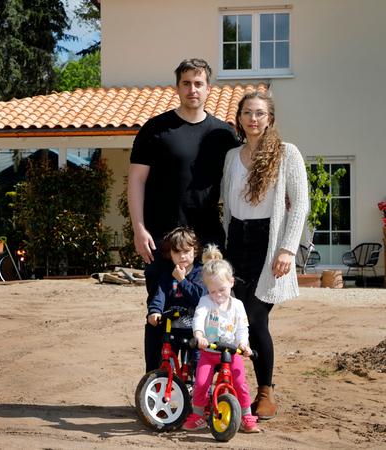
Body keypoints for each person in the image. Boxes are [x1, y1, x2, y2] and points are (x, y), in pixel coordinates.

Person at [128, 58, 239, 372]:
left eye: (199, 83)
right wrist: (139, 229)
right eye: (187, 83)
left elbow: (239, 180)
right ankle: (156, 381)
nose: (193, 89)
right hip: (161, 239)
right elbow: (136, 180)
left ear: (208, 88)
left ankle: (203, 386)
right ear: (177, 87)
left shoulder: (223, 134)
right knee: (160, 311)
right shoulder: (155, 130)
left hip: (208, 243)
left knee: (210, 311)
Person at [222, 90, 309, 419]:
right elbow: (227, 208)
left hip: (268, 243)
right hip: (236, 243)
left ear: (270, 118)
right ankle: (230, 388)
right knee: (234, 318)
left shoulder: (287, 153)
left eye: (259, 113)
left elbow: (300, 204)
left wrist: (287, 248)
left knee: (257, 317)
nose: (253, 118)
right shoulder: (232, 156)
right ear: (240, 119)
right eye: (247, 113)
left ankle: (266, 393)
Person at [183, 245, 260, 433]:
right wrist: (199, 335)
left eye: (222, 290)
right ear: (207, 289)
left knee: (240, 383)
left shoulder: (238, 305)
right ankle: (199, 415)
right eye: (212, 291)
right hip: (209, 352)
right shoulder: (205, 302)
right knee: (201, 383)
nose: (217, 295)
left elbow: (242, 327)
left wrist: (243, 344)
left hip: (231, 352)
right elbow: (199, 318)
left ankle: (246, 416)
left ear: (232, 283)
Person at [146, 227, 206, 370]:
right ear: (170, 254)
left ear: (195, 251)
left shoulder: (201, 272)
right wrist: (154, 311)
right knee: (166, 362)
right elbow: (159, 295)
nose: (182, 256)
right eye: (177, 252)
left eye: (186, 251)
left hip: (196, 330)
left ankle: (201, 390)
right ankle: (168, 385)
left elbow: (199, 298)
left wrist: (182, 280)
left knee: (198, 365)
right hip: (172, 328)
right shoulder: (167, 275)